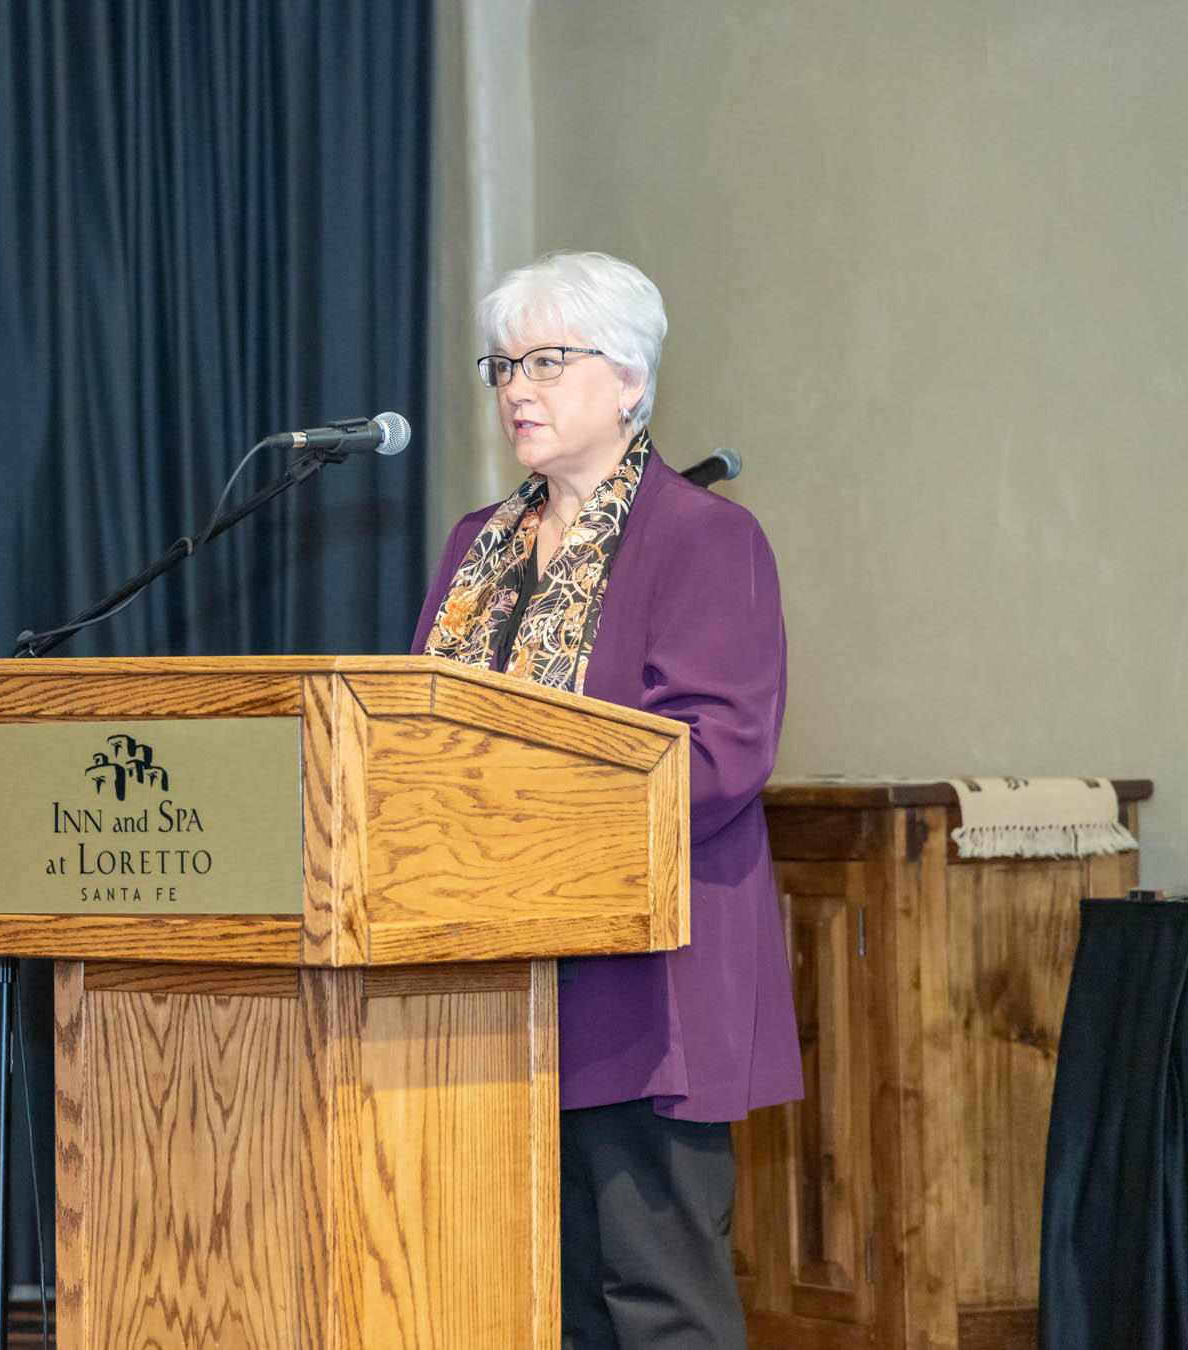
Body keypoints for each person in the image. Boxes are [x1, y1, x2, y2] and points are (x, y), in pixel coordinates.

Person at [410, 250, 802, 1348]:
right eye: (502, 366)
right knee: (536, 1307)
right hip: (489, 984)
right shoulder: (473, 549)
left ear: (629, 379)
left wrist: (527, 818)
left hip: (646, 987)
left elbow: (718, 756)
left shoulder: (706, 540)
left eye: (546, 361)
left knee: (655, 1303)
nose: (515, 390)